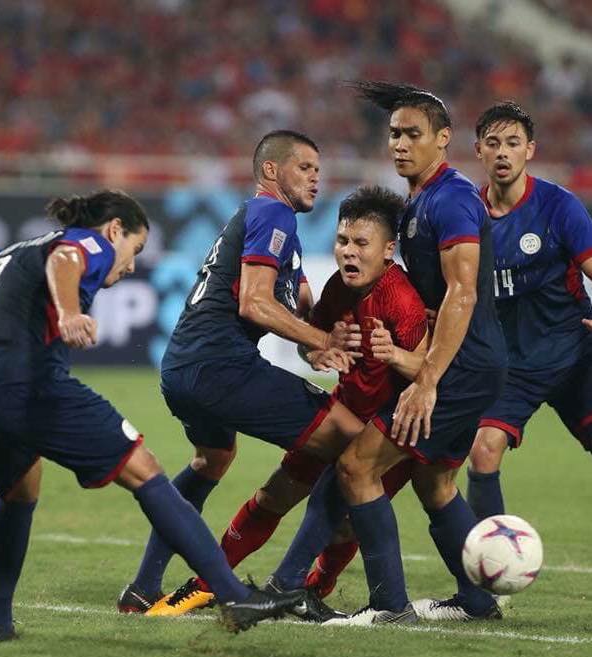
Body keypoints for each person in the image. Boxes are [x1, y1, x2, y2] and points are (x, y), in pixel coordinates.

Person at [0, 190, 304, 640]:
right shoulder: (90, 243)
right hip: (26, 386)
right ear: (115, 229)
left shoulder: (11, 253)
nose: (130, 265)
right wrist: (69, 313)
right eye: (135, 249)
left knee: (20, 489)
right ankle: (233, 595)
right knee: (145, 469)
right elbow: (67, 259)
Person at [265, 82, 508, 626]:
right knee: (434, 483)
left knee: (356, 466)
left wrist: (427, 379)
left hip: (459, 367)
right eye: (394, 133)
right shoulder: (420, 201)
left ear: (443, 139)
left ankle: (390, 605)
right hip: (469, 364)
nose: (400, 143)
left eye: (413, 134)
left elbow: (463, 292)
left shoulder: (451, 198)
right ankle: (476, 599)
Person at [146, 185, 429, 617]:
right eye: (342, 241)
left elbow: (426, 372)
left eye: (361, 243)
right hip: (343, 411)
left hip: (382, 432)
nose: (348, 252)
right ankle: (206, 586)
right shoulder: (337, 288)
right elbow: (310, 343)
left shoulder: (401, 299)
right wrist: (317, 352)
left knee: (346, 521)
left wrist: (395, 356)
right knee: (273, 495)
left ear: (388, 249)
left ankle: (311, 589)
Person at [117, 131, 366, 621]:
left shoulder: (271, 227)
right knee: (351, 441)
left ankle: (143, 588)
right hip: (219, 366)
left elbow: (289, 306)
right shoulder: (272, 212)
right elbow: (254, 303)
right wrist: (323, 340)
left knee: (213, 459)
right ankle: (294, 584)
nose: (316, 178)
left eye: (318, 170)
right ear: (271, 171)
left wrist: (310, 343)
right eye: (304, 167)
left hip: (183, 366)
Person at [463, 102, 592, 521]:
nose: (503, 152)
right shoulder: (466, 215)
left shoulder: (559, 206)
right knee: (483, 451)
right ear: (478, 150)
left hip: (574, 352)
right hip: (511, 365)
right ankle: (489, 562)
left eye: (513, 143)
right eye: (493, 143)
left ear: (530, 150)